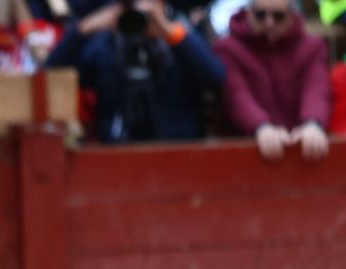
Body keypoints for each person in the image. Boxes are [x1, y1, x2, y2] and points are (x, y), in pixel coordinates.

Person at [45, 0, 224, 143]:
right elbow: (48, 80)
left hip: (178, 150)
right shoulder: (105, 44)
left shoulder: (181, 33)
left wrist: (168, 32)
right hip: (116, 154)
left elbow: (215, 77)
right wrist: (82, 30)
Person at [213, 0, 331, 161]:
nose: (269, 23)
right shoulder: (227, 48)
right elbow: (236, 94)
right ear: (248, 13)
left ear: (291, 15)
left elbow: (316, 88)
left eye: (278, 16)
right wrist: (261, 127)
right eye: (260, 15)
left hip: (299, 152)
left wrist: (313, 123)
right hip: (245, 155)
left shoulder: (312, 47)